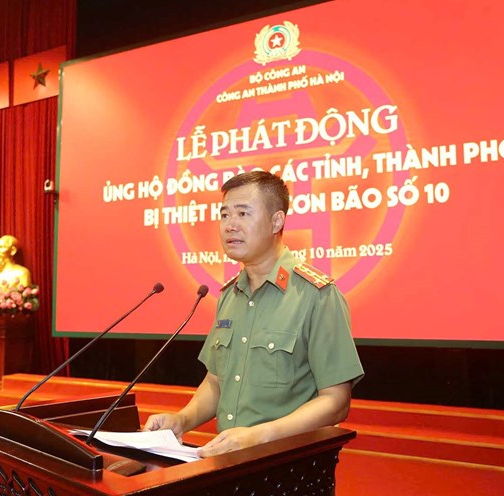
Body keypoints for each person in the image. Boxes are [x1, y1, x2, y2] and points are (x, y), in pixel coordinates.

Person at [144, 171, 364, 457]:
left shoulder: (316, 295)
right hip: (227, 462)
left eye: (243, 213)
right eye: (224, 215)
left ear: (277, 221)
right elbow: (216, 381)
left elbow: (336, 402)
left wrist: (261, 436)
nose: (230, 225)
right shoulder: (229, 296)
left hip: (290, 467)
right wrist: (182, 420)